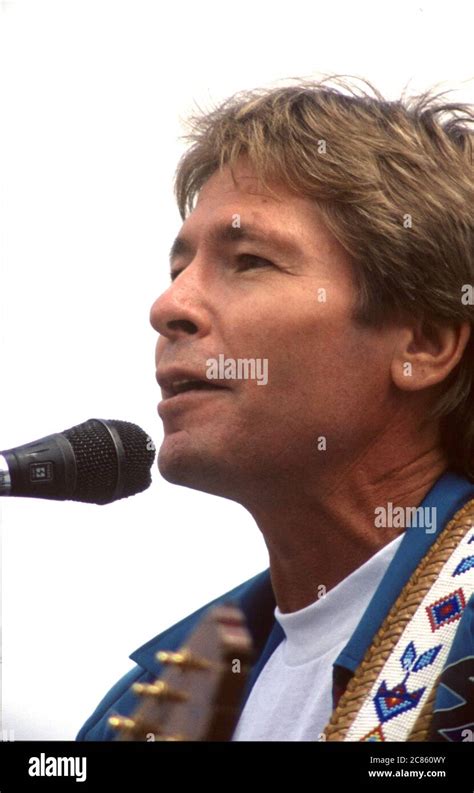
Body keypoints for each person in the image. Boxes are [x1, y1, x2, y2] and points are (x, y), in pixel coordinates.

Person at [77, 76, 474, 742]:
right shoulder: (146, 708)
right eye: (179, 268)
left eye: (249, 260)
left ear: (423, 343)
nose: (168, 306)